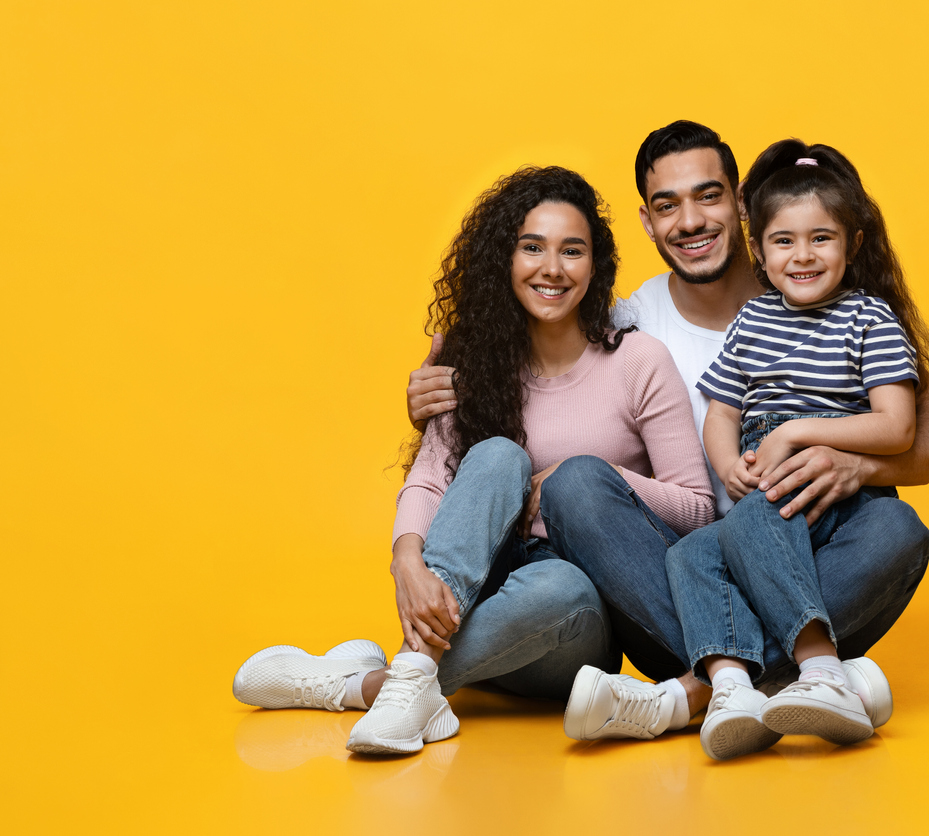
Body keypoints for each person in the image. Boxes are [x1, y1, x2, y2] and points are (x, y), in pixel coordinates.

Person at [405, 121, 929, 744]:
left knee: (897, 529)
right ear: (648, 222)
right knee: (580, 486)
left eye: (708, 196)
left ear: (741, 204)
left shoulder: (824, 298)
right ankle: (807, 678)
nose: (691, 221)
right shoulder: (630, 322)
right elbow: (544, 378)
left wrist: (860, 467)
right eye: (668, 206)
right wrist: (441, 401)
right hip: (676, 576)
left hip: (815, 552)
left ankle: (694, 694)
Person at [232, 166, 714, 756]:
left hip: (571, 624)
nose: (552, 269)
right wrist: (407, 560)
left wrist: (598, 477)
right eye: (531, 248)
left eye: (573, 251)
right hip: (476, 589)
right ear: (503, 259)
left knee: (560, 582)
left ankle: (359, 684)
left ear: (597, 265)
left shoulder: (637, 360)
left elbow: (696, 509)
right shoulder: (471, 356)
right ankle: (415, 681)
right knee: (495, 456)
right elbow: (432, 476)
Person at [666, 139, 929, 760]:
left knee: (760, 517)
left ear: (853, 245)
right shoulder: (754, 320)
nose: (804, 256)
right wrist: (728, 459)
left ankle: (822, 672)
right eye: (784, 241)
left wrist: (796, 432)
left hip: (833, 485)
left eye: (822, 238)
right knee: (691, 555)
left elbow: (897, 428)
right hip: (762, 474)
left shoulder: (870, 320)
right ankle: (733, 690)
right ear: (758, 251)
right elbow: (722, 409)